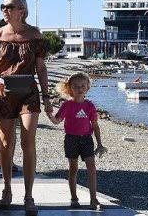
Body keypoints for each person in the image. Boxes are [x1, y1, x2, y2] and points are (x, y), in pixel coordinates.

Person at [0, 0, 52, 214]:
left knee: (28, 140)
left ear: (22, 10)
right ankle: (6, 190)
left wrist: (47, 96)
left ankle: (29, 195)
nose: (5, 9)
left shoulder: (34, 35)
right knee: (5, 144)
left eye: (9, 6)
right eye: (2, 6)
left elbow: (41, 68)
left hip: (29, 92)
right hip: (3, 92)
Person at [46, 72, 107, 210]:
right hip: (71, 139)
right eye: (76, 86)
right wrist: (50, 114)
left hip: (86, 139)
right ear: (69, 88)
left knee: (92, 168)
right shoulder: (67, 105)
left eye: (82, 86)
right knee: (73, 169)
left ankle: (93, 199)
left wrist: (100, 144)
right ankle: (74, 198)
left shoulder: (90, 106)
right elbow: (57, 121)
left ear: (87, 87)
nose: (80, 89)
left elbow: (95, 126)